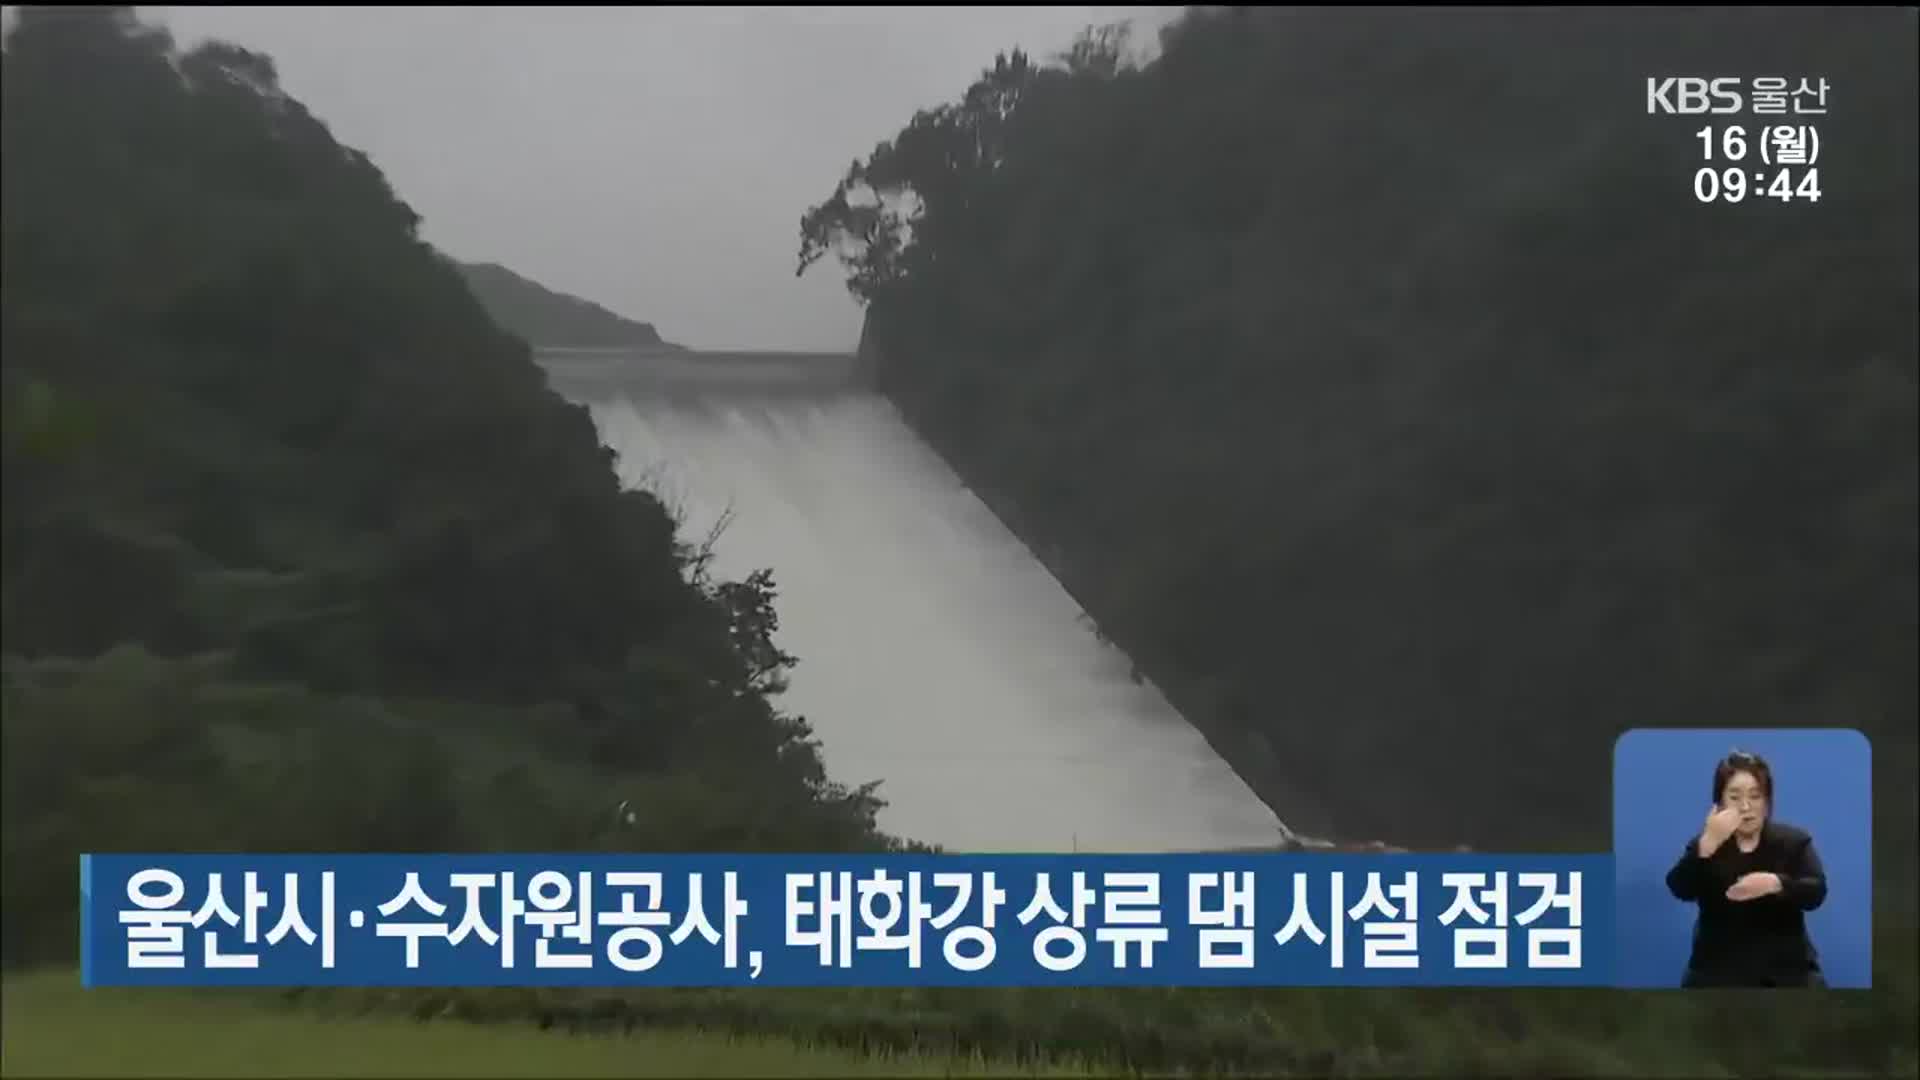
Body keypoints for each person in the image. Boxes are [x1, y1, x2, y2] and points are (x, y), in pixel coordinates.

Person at [1665, 749, 1829, 988]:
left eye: (1755, 796)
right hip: (1716, 971)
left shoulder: (1794, 842)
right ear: (1719, 802)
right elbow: (1679, 888)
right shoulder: (1706, 845)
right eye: (1734, 796)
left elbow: (1816, 891)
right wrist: (1706, 846)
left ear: (1767, 800)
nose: (1745, 806)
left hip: (1787, 972)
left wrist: (1776, 884)